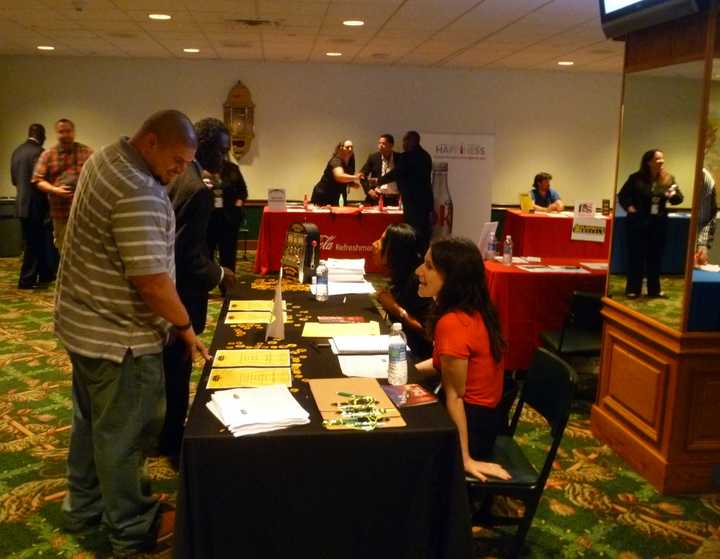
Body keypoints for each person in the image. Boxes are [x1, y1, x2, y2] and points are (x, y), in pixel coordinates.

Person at [55, 110, 209, 556]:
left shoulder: (105, 157)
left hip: (82, 325)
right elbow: (152, 282)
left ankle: (83, 507)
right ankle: (132, 526)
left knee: (92, 424)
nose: (181, 171)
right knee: (126, 435)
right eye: (177, 160)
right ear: (151, 142)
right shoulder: (139, 191)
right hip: (120, 339)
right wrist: (184, 327)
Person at [161, 117, 237, 460]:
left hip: (166, 292)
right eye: (221, 150)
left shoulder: (179, 179)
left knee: (168, 370)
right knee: (177, 370)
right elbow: (188, 256)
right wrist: (221, 274)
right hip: (183, 296)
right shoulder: (198, 191)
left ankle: (164, 432)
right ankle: (173, 443)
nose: (224, 157)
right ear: (204, 148)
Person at [414, 237, 511, 482]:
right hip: (487, 419)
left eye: (429, 266)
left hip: (471, 425)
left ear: (452, 278)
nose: (418, 271)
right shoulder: (477, 310)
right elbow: (441, 363)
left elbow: (455, 396)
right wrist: (407, 371)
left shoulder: (453, 322)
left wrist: (464, 458)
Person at [618, 149, 684, 298]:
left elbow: (678, 199)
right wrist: (630, 207)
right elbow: (623, 195)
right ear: (648, 162)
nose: (661, 162)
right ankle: (633, 289)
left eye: (662, 159)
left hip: (658, 223)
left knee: (655, 257)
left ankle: (654, 290)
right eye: (658, 159)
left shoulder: (668, 179)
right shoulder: (635, 178)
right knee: (636, 256)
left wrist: (672, 194)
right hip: (638, 222)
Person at [372, 223, 433, 359]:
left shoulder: (418, 281)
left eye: (382, 241)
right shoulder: (400, 275)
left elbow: (429, 334)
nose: (374, 244)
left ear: (395, 251)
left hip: (418, 357)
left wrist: (395, 308)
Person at [32, 118, 93, 249]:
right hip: (61, 214)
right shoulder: (48, 155)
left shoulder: (87, 152)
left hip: (84, 214)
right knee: (64, 250)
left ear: (74, 132)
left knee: (86, 250)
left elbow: (98, 175)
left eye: (68, 131)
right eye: (61, 132)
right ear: (56, 133)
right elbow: (37, 180)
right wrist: (55, 190)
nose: (65, 135)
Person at [11, 123, 58, 289]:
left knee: (33, 242)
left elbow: (14, 180)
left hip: (21, 204)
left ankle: (45, 274)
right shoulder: (39, 153)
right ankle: (26, 280)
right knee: (35, 243)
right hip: (37, 204)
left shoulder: (17, 152)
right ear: (41, 135)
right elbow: (40, 181)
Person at [373, 131, 434, 253]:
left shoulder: (407, 156)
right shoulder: (426, 156)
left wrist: (379, 181)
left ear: (412, 141)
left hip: (412, 200)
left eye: (405, 141)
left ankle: (413, 258)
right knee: (423, 232)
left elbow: (397, 173)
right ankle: (422, 257)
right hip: (425, 201)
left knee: (412, 232)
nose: (403, 144)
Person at [206, 150, 248, 282]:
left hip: (229, 219)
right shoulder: (204, 169)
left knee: (228, 255)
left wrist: (237, 206)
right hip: (209, 218)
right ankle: (208, 283)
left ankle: (227, 287)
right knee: (207, 254)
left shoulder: (232, 169)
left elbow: (243, 192)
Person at [310, 139, 362, 206]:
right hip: (324, 195)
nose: (350, 149)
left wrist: (352, 184)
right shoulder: (336, 160)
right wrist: (355, 177)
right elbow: (339, 176)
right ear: (340, 148)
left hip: (338, 194)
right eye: (347, 147)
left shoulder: (351, 161)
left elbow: (345, 179)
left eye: (352, 147)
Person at [360, 133, 400, 205]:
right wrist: (368, 190)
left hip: (395, 199)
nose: (380, 146)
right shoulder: (373, 157)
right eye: (379, 143)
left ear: (391, 145)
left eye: (384, 143)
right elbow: (362, 175)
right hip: (377, 197)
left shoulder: (399, 158)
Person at [695, 168, 717, 266]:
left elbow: (707, 217)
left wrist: (702, 244)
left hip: (704, 223)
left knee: (700, 257)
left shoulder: (704, 177)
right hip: (699, 223)